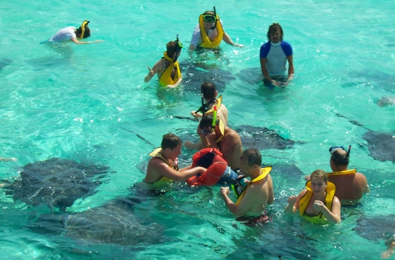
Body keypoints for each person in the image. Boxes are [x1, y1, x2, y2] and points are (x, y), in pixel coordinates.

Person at [220, 148, 274, 226]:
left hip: (250, 224)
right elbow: (270, 201)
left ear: (255, 167)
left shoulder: (254, 188)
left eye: (244, 168)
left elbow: (237, 212)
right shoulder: (268, 177)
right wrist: (248, 185)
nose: (240, 170)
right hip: (263, 218)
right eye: (240, 167)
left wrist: (224, 194)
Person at [304, 145, 370, 205]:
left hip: (334, 210)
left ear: (332, 162)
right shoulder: (361, 177)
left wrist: (308, 177)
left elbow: (311, 181)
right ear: (347, 162)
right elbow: (367, 192)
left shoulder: (325, 180)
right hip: (357, 210)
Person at [260, 23, 294, 88]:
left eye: (277, 34)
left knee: (284, 95)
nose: (275, 36)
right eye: (273, 34)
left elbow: (291, 65)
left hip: (282, 76)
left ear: (281, 34)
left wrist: (289, 79)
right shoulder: (264, 48)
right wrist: (270, 80)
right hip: (268, 76)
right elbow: (263, 68)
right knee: (268, 95)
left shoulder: (287, 47)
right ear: (269, 35)